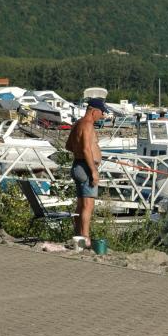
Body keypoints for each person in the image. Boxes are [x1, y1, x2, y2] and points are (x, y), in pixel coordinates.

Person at [65, 98, 109, 247]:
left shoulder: (77, 124)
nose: (102, 116)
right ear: (93, 110)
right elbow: (85, 149)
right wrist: (93, 171)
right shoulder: (88, 125)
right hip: (86, 168)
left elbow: (68, 146)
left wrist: (81, 154)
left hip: (78, 165)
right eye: (102, 112)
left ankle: (78, 237)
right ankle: (85, 239)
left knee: (80, 205)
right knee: (88, 206)